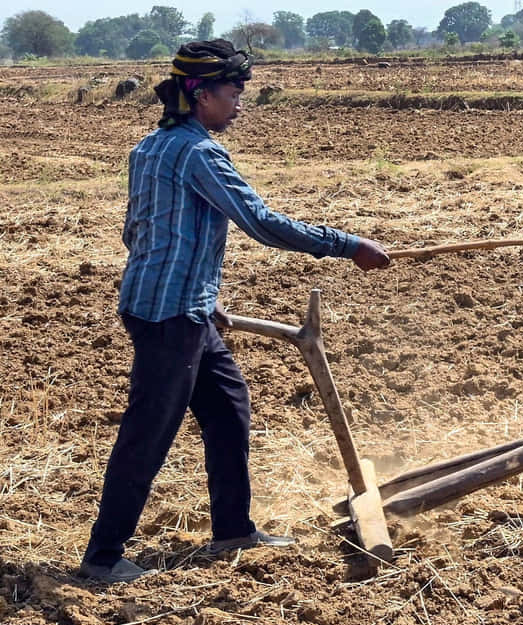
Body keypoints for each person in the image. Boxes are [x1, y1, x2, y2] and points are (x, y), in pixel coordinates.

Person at [79, 39, 391, 584]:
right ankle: (103, 558)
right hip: (171, 316)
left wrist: (205, 294)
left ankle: (232, 529)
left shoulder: (149, 148)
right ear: (200, 96)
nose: (240, 102)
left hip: (175, 306)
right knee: (147, 433)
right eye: (233, 91)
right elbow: (260, 222)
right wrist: (347, 245)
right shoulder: (199, 154)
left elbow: (142, 230)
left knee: (228, 408)